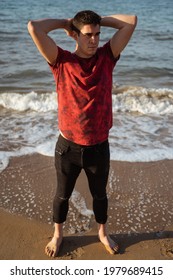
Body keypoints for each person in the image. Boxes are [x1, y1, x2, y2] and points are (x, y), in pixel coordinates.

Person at [28, 10, 137, 258]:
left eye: (98, 34)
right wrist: (66, 24)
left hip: (99, 146)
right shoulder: (61, 61)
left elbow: (131, 22)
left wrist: (99, 21)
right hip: (68, 147)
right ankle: (58, 234)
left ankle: (102, 232)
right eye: (88, 35)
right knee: (62, 195)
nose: (94, 40)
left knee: (100, 195)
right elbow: (34, 27)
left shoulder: (107, 57)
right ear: (75, 36)